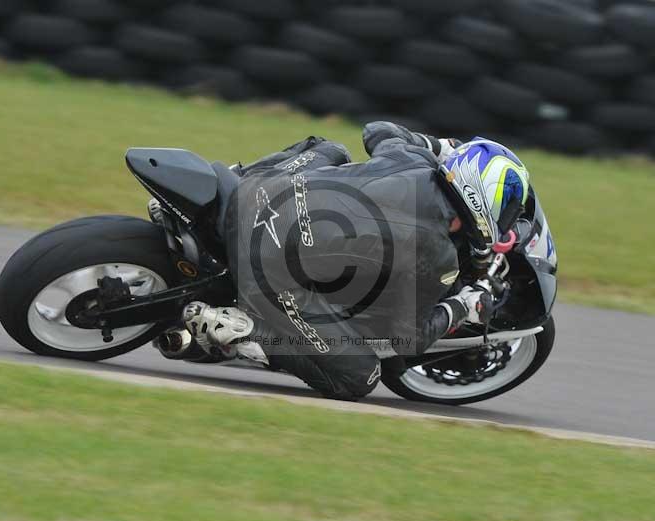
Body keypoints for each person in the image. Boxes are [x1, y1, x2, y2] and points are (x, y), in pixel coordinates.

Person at [183, 121, 531, 401]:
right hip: (265, 264)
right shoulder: (437, 254)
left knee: (331, 149)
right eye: (505, 207)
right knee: (360, 377)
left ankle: (225, 185)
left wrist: (438, 146)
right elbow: (406, 338)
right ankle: (243, 331)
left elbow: (377, 130)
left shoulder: (413, 158)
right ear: (481, 201)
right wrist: (463, 306)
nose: (505, 218)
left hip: (256, 191)